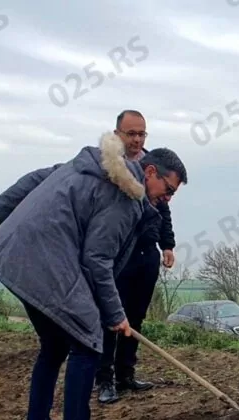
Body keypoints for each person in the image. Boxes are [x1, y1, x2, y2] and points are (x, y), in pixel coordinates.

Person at [0, 131, 187, 420]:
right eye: (168, 190)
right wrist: (115, 314)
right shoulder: (124, 197)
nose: (168, 198)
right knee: (89, 341)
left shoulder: (91, 165)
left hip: (21, 255)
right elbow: (97, 260)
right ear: (149, 172)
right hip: (48, 262)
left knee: (55, 344)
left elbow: (35, 178)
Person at [97, 110, 177, 404]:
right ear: (118, 134)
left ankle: (125, 374)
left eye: (142, 134)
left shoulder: (153, 168)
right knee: (111, 318)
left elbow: (163, 209)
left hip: (146, 256)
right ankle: (104, 380)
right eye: (131, 134)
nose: (136, 139)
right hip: (119, 256)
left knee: (136, 317)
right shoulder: (111, 166)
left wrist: (167, 245)